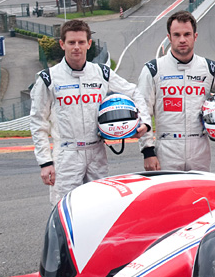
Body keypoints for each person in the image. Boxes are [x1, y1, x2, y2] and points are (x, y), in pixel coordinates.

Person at [30, 19, 148, 205]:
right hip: (66, 154)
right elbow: (38, 122)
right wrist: (45, 162)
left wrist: (145, 122)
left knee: (99, 208)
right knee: (64, 209)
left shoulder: (101, 73)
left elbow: (134, 91)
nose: (76, 47)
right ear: (62, 44)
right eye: (71, 42)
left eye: (81, 42)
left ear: (89, 44)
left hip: (97, 151)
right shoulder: (49, 78)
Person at [138, 11, 215, 172]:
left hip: (200, 148)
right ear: (169, 38)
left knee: (200, 196)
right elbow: (142, 112)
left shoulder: (208, 68)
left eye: (187, 34)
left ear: (195, 36)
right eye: (177, 35)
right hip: (166, 149)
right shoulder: (153, 69)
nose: (182, 39)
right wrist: (147, 151)